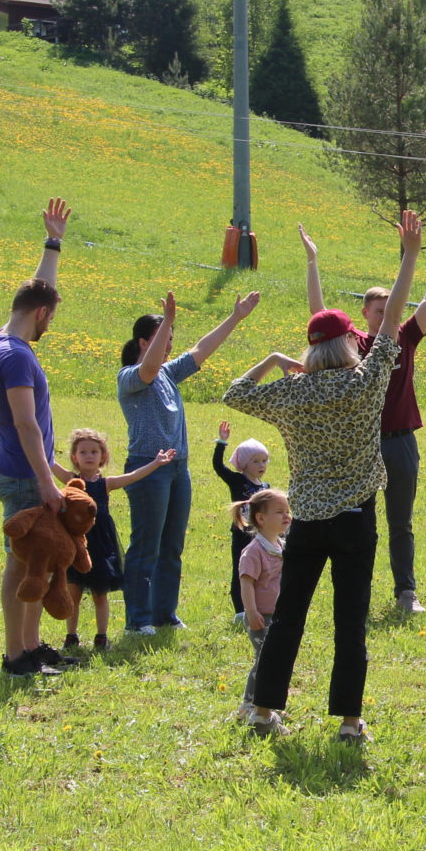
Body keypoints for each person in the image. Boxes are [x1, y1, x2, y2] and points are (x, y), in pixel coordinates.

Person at [223, 213, 422, 742]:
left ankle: (265, 711)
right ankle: (351, 723)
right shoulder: (369, 380)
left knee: (288, 617)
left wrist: (272, 358)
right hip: (357, 518)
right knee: (350, 622)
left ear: (311, 349)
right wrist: (409, 257)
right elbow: (396, 319)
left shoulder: (292, 392)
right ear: (350, 345)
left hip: (306, 520)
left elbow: (234, 394)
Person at [307, 214, 426, 617]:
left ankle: (406, 593)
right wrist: (312, 263)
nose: (386, 315)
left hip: (400, 442)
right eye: (378, 310)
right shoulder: (349, 346)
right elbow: (317, 311)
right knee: (356, 522)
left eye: (390, 308)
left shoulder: (405, 339)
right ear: (364, 313)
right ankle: (353, 593)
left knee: (401, 523)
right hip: (359, 445)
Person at [115, 288, 261, 636]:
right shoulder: (130, 377)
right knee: (145, 545)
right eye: (162, 337)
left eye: (170, 337)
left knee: (172, 546)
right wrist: (168, 319)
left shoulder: (167, 373)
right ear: (142, 341)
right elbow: (149, 368)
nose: (168, 345)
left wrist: (236, 316)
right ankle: (138, 620)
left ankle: (165, 614)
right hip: (148, 469)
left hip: (178, 469)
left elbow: (200, 351)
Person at [0, 198, 79, 680]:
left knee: (29, 562)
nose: (50, 326)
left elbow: (37, 294)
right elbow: (25, 424)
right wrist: (47, 480)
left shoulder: (1, 339)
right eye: (51, 317)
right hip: (24, 474)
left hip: (20, 467)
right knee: (25, 564)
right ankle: (17, 656)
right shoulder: (17, 357)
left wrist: (53, 243)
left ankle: (28, 646)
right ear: (40, 315)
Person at [55, 428, 175, 653]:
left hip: (101, 544)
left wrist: (156, 463)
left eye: (94, 451)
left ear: (103, 456)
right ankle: (71, 636)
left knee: (100, 593)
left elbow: (132, 476)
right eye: (83, 452)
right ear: (74, 457)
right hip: (76, 542)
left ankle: (101, 636)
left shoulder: (106, 484)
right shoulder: (71, 480)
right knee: (73, 592)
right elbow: (48, 463)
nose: (89, 456)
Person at [230, 488, 291, 726]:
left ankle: (268, 702)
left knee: (274, 659)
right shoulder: (254, 550)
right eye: (279, 512)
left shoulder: (281, 545)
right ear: (261, 518)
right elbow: (246, 583)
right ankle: (249, 703)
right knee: (263, 660)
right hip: (260, 616)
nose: (286, 516)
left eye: (288, 511)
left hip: (277, 616)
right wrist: (251, 611)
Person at [212, 421, 270, 617]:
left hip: (262, 537)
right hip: (242, 535)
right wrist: (222, 442)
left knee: (261, 571)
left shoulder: (265, 486)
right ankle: (240, 611)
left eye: (264, 460)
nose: (261, 465)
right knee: (242, 571)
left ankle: (259, 605)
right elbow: (218, 467)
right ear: (244, 464)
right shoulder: (238, 480)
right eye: (255, 461)